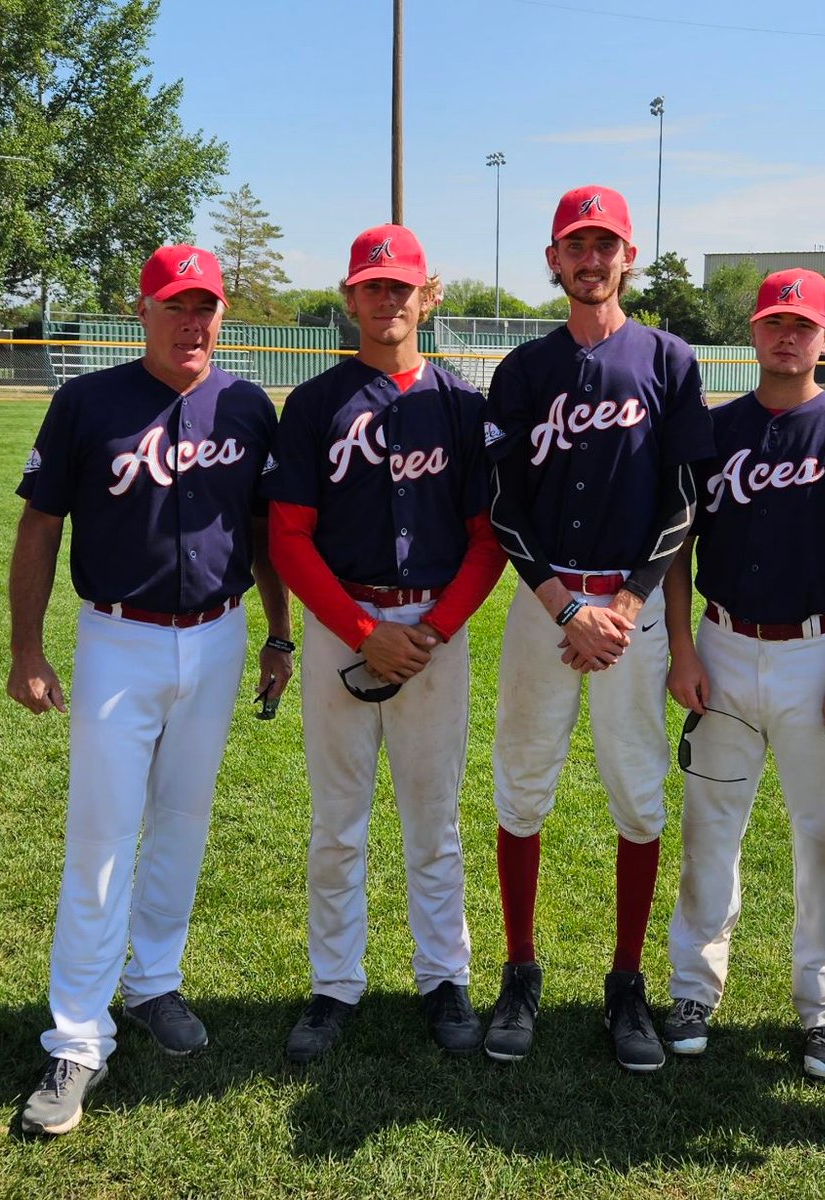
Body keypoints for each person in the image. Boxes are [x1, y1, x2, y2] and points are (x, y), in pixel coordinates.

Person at [8, 245, 293, 1136]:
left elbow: (261, 533)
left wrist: (279, 634)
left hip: (218, 635)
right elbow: (39, 525)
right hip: (117, 637)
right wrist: (27, 648)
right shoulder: (88, 401)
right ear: (143, 310)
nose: (191, 321)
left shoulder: (247, 405)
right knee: (101, 835)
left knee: (181, 822)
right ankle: (76, 1037)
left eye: (205, 306)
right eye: (175, 305)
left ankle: (153, 983)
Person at [481, 185, 715, 1072]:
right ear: (553, 259)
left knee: (638, 795)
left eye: (603, 243)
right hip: (543, 607)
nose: (589, 259)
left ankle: (626, 982)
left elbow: (684, 498)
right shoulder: (522, 370)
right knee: (521, 788)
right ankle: (520, 971)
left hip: (630, 610)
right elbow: (500, 501)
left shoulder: (667, 359)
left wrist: (624, 603)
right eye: (574, 245)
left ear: (628, 255)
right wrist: (561, 604)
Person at [662, 268, 825, 1079]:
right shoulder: (713, 429)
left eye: (802, 325)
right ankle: (692, 989)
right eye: (774, 321)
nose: (786, 336)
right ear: (752, 330)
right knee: (708, 829)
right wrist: (682, 650)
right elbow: (676, 550)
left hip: (819, 651)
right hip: (723, 643)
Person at [266, 224, 506, 1062]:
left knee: (433, 819)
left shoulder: (463, 408)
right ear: (350, 298)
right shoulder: (313, 405)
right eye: (372, 286)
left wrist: (432, 630)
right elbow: (287, 536)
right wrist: (363, 632)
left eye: (400, 286)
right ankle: (334, 983)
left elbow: (488, 538)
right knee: (337, 820)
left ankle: (444, 977)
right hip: (344, 623)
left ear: (426, 296)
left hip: (435, 630)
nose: (387, 299)